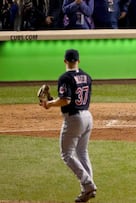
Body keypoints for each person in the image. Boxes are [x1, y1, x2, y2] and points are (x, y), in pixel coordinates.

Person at [39, 49, 97, 202]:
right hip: (88, 117)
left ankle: (88, 184)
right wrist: (54, 100)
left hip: (74, 120)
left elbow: (66, 100)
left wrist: (49, 104)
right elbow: (71, 96)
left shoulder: (65, 77)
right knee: (82, 152)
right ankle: (88, 188)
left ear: (65, 61)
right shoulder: (87, 76)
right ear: (79, 60)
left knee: (67, 154)